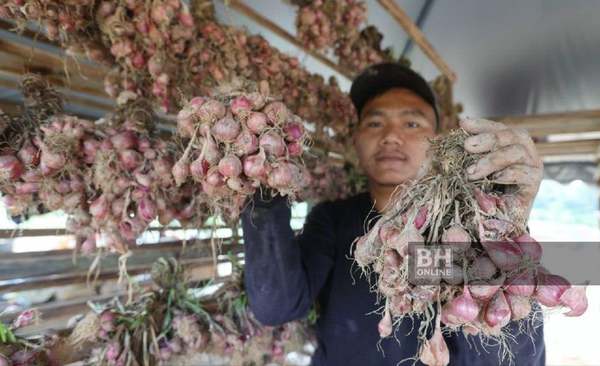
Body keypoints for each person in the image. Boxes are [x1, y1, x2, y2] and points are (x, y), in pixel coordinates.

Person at [241, 63, 545, 365]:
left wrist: (510, 227)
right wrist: (263, 187)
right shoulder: (333, 220)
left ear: (439, 142)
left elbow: (517, 357)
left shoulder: (465, 229)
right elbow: (276, 307)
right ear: (356, 141)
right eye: (374, 123)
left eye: (411, 124)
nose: (390, 136)